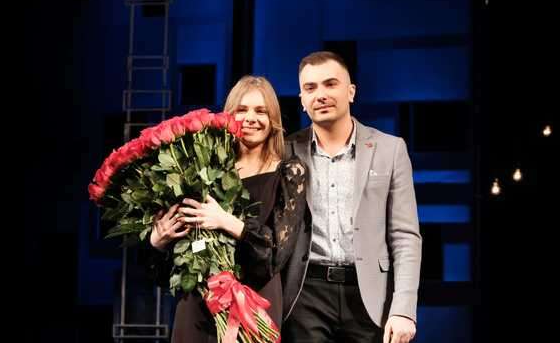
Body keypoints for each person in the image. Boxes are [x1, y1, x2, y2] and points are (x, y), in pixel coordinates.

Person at [148, 75, 307, 343]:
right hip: (199, 300)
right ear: (229, 116)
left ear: (273, 119)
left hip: (254, 301)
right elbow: (178, 255)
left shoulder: (289, 172)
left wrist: (225, 221)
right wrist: (158, 241)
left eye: (261, 111)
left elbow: (276, 255)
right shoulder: (204, 169)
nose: (250, 118)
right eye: (242, 110)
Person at [281, 51, 422, 343]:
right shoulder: (284, 151)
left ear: (351, 91)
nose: (321, 95)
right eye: (310, 88)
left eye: (330, 84)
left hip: (371, 295)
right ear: (302, 100)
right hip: (305, 295)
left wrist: (404, 309)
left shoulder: (390, 149)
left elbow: (405, 236)